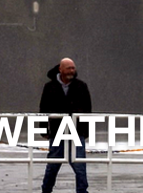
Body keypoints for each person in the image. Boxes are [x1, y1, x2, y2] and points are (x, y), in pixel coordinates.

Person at [39, 58, 91, 193]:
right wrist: (43, 129)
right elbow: (43, 109)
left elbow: (88, 110)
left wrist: (86, 131)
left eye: (73, 68)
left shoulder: (81, 86)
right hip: (57, 132)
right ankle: (46, 190)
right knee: (52, 165)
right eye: (69, 68)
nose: (72, 71)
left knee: (80, 166)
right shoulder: (49, 87)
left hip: (76, 131)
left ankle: (82, 191)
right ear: (60, 69)